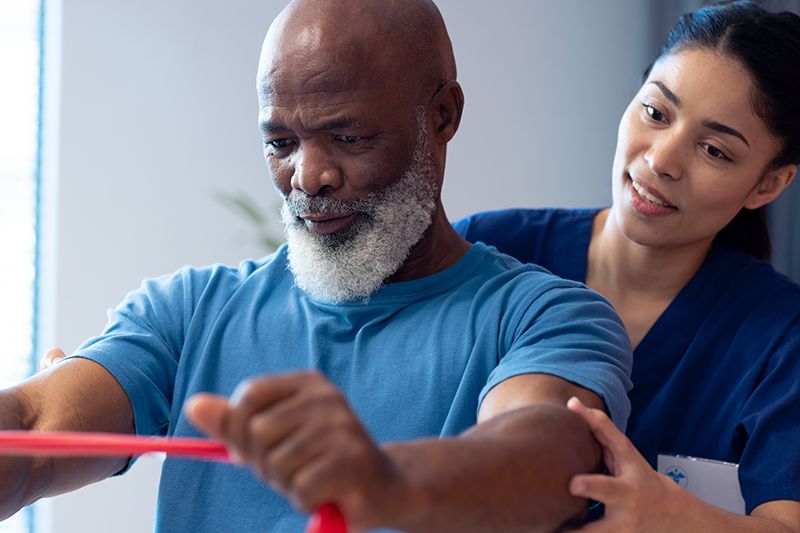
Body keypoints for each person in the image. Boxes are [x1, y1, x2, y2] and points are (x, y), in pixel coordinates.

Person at [0, 1, 634, 532]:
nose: (308, 178)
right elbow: (30, 433)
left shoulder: (545, 318)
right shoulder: (189, 312)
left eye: (349, 138)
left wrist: (387, 482)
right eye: (280, 143)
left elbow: (549, 458)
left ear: (443, 116)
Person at [454, 2, 800, 532]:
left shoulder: (781, 337)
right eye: (656, 113)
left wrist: (673, 516)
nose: (661, 160)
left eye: (713, 150)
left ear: (769, 184)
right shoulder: (487, 250)